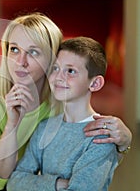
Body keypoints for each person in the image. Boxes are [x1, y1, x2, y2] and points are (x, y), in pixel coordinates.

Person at [0, 13, 132, 191]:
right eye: (14, 49)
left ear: (52, 58)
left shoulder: (59, 93)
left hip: (17, 172)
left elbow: (89, 151)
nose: (20, 62)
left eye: (33, 52)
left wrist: (124, 143)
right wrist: (12, 125)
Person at [7, 36, 120, 191]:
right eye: (55, 68)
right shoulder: (44, 127)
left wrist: (37, 183)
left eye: (71, 71)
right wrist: (58, 184)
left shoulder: (101, 137)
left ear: (95, 83)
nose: (58, 77)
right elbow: (15, 182)